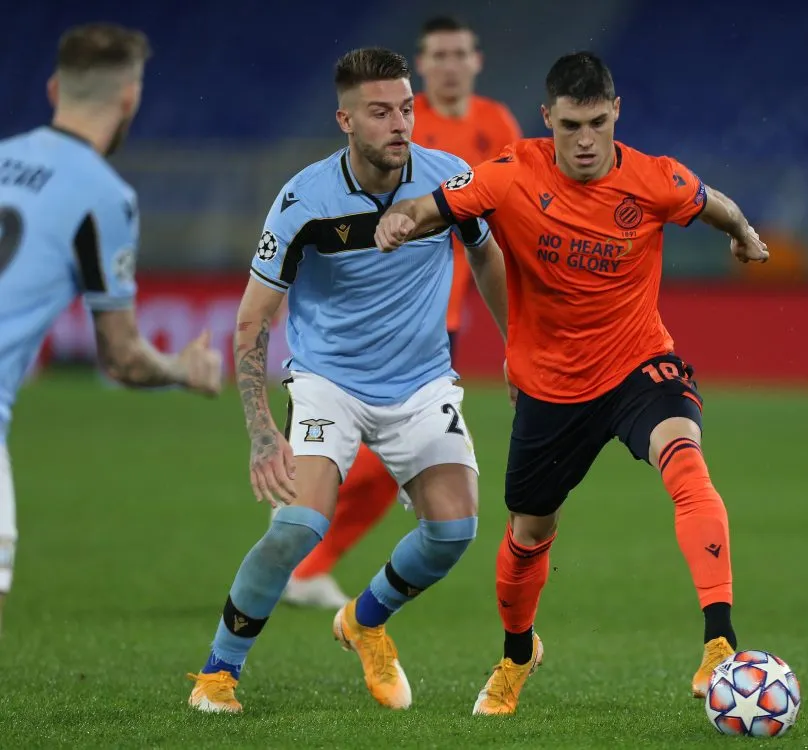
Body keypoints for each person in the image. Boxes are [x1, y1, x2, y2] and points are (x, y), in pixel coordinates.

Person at [374, 51, 770, 715]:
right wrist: (401, 219)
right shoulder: (509, 174)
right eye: (569, 126)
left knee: (686, 462)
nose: (584, 141)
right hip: (551, 386)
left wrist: (745, 234)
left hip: (638, 364)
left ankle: (720, 642)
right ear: (546, 119)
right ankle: (517, 652)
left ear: (615, 113)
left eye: (595, 123)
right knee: (529, 531)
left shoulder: (654, 179)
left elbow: (713, 204)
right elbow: (435, 206)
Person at [187, 47, 508, 714]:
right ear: (346, 120)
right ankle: (219, 672)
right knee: (296, 527)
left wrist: (520, 348)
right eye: (380, 112)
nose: (400, 124)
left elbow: (488, 259)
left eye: (407, 109)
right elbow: (251, 322)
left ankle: (364, 620)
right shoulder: (304, 200)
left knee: (454, 532)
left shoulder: (450, 182)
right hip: (329, 383)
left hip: (421, 385)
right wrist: (259, 430)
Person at [281, 15, 522, 611]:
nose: (448, 64)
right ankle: (308, 558)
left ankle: (311, 560)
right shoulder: (402, 126)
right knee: (379, 464)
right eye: (437, 55)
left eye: (458, 53)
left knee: (387, 469)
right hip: (386, 320)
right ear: (424, 63)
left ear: (476, 61)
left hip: (443, 313)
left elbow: (499, 217)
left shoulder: (497, 125)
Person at [0, 23, 223, 637]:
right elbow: (122, 357)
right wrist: (186, 370)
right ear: (130, 98)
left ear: (53, 88)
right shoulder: (104, 195)